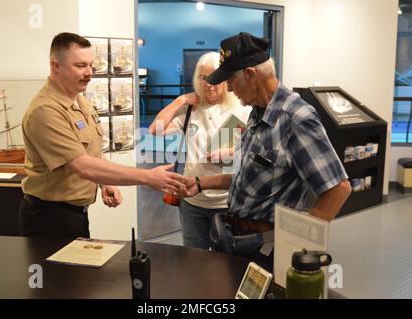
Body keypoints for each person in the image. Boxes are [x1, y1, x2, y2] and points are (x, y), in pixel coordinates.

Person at [181, 32, 352, 263]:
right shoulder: (257, 112)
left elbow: (338, 189)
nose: (230, 89)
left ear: (251, 75)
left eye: (231, 81)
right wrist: (201, 183)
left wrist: (297, 245)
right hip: (238, 241)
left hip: (267, 249)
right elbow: (248, 176)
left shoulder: (295, 118)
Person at [20, 32, 187, 239]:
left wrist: (105, 183)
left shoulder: (80, 102)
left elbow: (93, 152)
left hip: (75, 214)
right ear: (56, 66)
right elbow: (83, 166)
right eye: (80, 66)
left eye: (91, 65)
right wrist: (147, 177)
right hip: (49, 217)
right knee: (61, 273)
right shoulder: (46, 110)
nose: (90, 72)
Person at [149, 52, 250, 250]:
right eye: (205, 78)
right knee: (194, 260)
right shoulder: (190, 109)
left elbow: (254, 150)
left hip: (227, 203)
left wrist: (231, 152)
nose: (211, 84)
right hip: (192, 201)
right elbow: (156, 130)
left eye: (216, 78)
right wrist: (180, 101)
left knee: (226, 264)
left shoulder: (241, 109)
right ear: (198, 79)